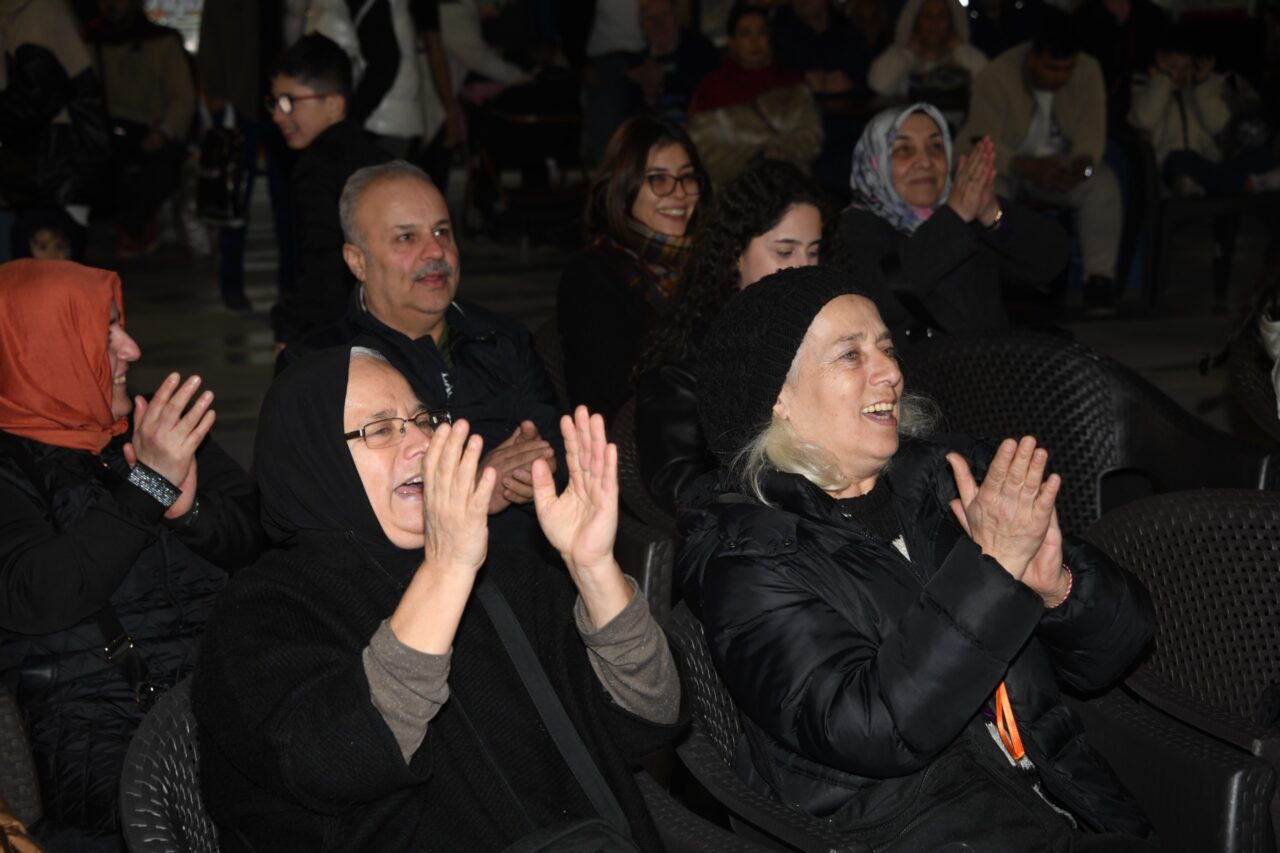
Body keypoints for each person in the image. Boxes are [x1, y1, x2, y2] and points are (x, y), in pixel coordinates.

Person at [678, 266, 1158, 850]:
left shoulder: (945, 482)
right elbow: (874, 726)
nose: (891, 372)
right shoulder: (751, 560)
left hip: (1064, 802)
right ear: (778, 397)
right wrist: (993, 574)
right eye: (850, 356)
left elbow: (1120, 647)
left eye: (885, 347)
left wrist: (1056, 589)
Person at [193, 345, 685, 850]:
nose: (423, 444)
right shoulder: (263, 610)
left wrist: (594, 569)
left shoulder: (508, 575)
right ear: (311, 458)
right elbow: (335, 762)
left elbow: (651, 718)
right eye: (381, 430)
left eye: (424, 420)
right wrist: (447, 569)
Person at [0, 259, 264, 849]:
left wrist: (190, 511)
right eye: (106, 332)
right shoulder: (10, 466)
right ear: (41, 347)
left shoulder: (151, 422)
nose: (131, 347)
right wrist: (149, 488)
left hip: (228, 693)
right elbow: (36, 594)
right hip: (100, 734)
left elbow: (260, 536)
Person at [279, 160, 565, 542]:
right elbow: (321, 516)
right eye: (406, 238)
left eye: (442, 231)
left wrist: (539, 472)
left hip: (528, 569)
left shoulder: (501, 339)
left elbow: (559, 457)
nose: (436, 251)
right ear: (357, 261)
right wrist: (472, 491)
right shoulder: (322, 367)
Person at [634, 160, 837, 514]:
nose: (806, 269)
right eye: (785, 252)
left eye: (814, 251)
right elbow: (688, 495)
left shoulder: (831, 345)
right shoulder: (683, 370)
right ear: (735, 258)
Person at [841, 102, 1068, 336]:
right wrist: (955, 217)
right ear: (875, 162)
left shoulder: (969, 207)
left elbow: (1051, 262)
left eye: (936, 147)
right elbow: (876, 302)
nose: (926, 162)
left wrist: (991, 213)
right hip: (911, 370)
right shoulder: (854, 227)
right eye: (904, 150)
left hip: (987, 366)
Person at [959, 12, 1122, 312]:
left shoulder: (1088, 71)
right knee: (984, 189)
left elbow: (1092, 136)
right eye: (1051, 68)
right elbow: (979, 142)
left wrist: (1080, 167)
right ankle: (995, 284)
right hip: (1007, 167)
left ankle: (1099, 281)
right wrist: (1028, 167)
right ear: (1032, 57)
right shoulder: (996, 76)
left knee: (1103, 184)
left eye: (1066, 69)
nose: (1060, 76)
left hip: (1060, 167)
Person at [557, 116, 706, 422]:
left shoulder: (705, 265)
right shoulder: (590, 277)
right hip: (628, 448)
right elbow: (620, 392)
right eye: (658, 179)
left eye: (687, 177)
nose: (678, 193)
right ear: (624, 187)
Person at [267, 34, 392, 348]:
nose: (277, 115)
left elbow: (323, 260)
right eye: (274, 102)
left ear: (334, 104)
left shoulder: (317, 166)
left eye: (288, 102)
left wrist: (291, 327)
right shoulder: (377, 156)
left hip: (340, 329)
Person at [85, 0, 195, 257]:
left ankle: (140, 224)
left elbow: (182, 98)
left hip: (151, 131)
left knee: (151, 174)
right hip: (108, 132)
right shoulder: (90, 41)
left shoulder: (162, 42)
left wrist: (164, 132)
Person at [1127, 28, 1280, 196]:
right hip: (1169, 168)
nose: (1180, 75)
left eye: (1186, 68)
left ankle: (1236, 184)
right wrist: (1163, 80)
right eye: (1173, 68)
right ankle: (1244, 184)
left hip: (1208, 167)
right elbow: (1143, 120)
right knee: (1182, 161)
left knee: (1260, 156)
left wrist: (1202, 87)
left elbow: (1219, 126)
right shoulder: (1144, 87)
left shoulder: (1200, 91)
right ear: (1159, 62)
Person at [687, 3, 823, 188]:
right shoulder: (712, 90)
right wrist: (752, 161)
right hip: (735, 189)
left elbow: (811, 132)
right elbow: (705, 148)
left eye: (762, 32)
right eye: (746, 34)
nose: (755, 41)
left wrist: (783, 155)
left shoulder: (792, 83)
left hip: (791, 182)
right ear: (732, 41)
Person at [867, 0, 987, 102]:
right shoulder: (900, 56)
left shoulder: (964, 57)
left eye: (942, 16)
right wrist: (909, 53)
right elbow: (878, 84)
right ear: (915, 20)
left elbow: (986, 79)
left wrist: (959, 49)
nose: (934, 23)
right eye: (928, 15)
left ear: (952, 22)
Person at [626, 0, 720, 125]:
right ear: (643, 26)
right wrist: (649, 96)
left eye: (665, 14)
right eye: (650, 18)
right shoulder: (637, 63)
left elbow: (710, 92)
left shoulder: (701, 50)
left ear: (678, 17)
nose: (658, 23)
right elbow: (634, 122)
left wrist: (663, 81)